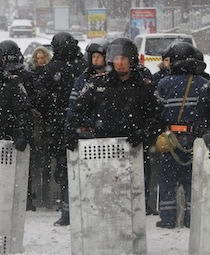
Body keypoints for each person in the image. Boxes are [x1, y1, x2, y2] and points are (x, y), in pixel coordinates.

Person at [65, 38, 164, 220]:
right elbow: (76, 110)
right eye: (117, 59)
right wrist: (71, 132)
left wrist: (143, 133)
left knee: (133, 197)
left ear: (132, 60)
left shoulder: (145, 86)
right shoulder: (97, 84)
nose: (120, 63)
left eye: (124, 59)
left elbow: (157, 117)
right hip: (104, 148)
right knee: (104, 194)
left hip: (134, 149)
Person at [34, 32, 85, 226]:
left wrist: (53, 117)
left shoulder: (51, 70)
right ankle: (77, 208)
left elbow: (41, 99)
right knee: (79, 169)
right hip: (80, 125)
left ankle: (67, 210)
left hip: (59, 126)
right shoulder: (83, 67)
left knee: (64, 170)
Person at [155, 42, 208, 229]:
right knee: (192, 180)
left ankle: (168, 219)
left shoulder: (163, 84)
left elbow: (156, 112)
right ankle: (191, 218)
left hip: (171, 139)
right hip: (195, 140)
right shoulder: (203, 84)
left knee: (168, 180)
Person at [0, 39, 37, 211]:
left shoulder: (23, 76)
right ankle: (24, 198)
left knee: (20, 164)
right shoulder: (25, 75)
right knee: (22, 165)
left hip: (15, 123)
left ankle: (23, 198)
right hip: (16, 123)